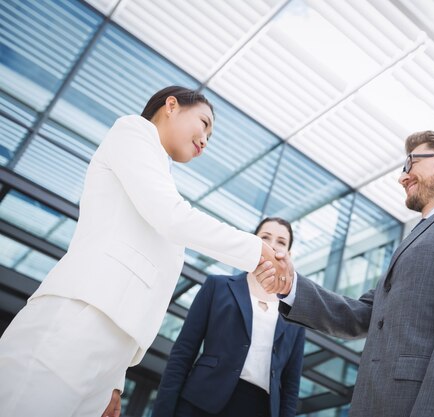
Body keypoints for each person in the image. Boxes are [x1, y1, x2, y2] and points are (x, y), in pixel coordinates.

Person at [0, 86, 289, 417]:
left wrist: (115, 380)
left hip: (111, 342)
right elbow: (171, 217)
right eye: (204, 123)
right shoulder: (132, 132)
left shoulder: (161, 179)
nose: (205, 140)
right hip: (78, 313)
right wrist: (257, 250)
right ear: (171, 106)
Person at [257, 131, 434, 417]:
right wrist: (291, 285)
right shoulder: (414, 239)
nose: (402, 177)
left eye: (411, 163)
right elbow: (360, 314)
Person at [152, 217, 305, 417]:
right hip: (201, 404)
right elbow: (182, 354)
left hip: (259, 409)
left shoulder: (295, 313)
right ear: (253, 241)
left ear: (289, 254)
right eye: (265, 237)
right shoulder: (218, 286)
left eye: (281, 242)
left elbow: (291, 386)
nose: (272, 246)